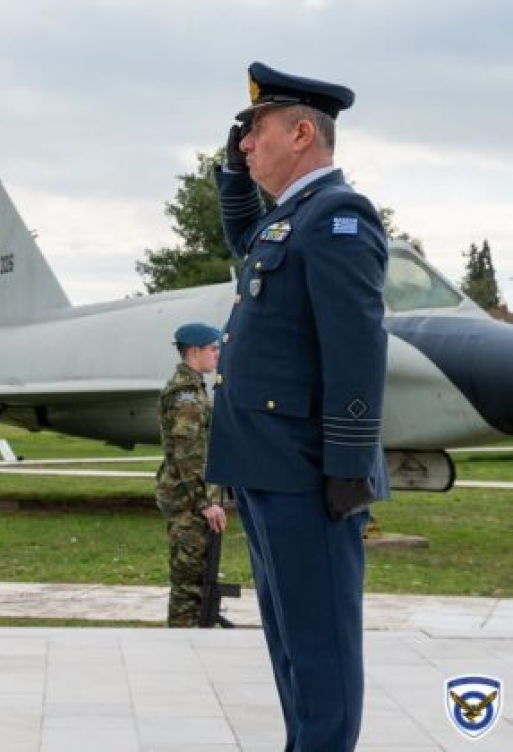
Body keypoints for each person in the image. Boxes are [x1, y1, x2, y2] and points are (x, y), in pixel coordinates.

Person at [206, 62, 390, 752]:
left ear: (303, 132)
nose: (246, 144)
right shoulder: (290, 222)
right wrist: (232, 176)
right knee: (290, 650)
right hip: (266, 469)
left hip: (308, 475)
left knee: (321, 656)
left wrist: (347, 467)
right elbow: (245, 243)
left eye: (255, 132)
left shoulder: (340, 217)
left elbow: (356, 351)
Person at [155, 322, 227, 628]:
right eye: (213, 349)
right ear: (194, 351)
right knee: (188, 586)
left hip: (188, 497)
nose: (218, 354)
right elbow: (187, 456)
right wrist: (204, 503)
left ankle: (194, 634)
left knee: (197, 578)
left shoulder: (194, 389)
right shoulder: (186, 396)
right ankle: (183, 641)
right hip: (187, 501)